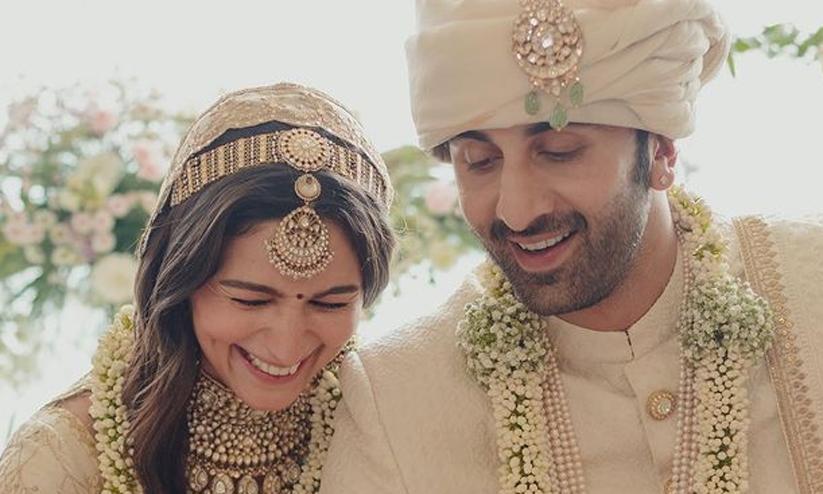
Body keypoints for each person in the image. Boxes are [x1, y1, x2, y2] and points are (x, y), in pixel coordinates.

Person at [321, 1, 823, 493]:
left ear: (662, 150)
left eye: (559, 152)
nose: (517, 211)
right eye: (479, 161)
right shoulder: (396, 400)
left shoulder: (812, 282)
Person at [0, 82, 395, 494]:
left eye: (330, 303)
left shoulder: (383, 423)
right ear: (180, 281)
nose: (286, 346)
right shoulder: (61, 456)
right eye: (250, 300)